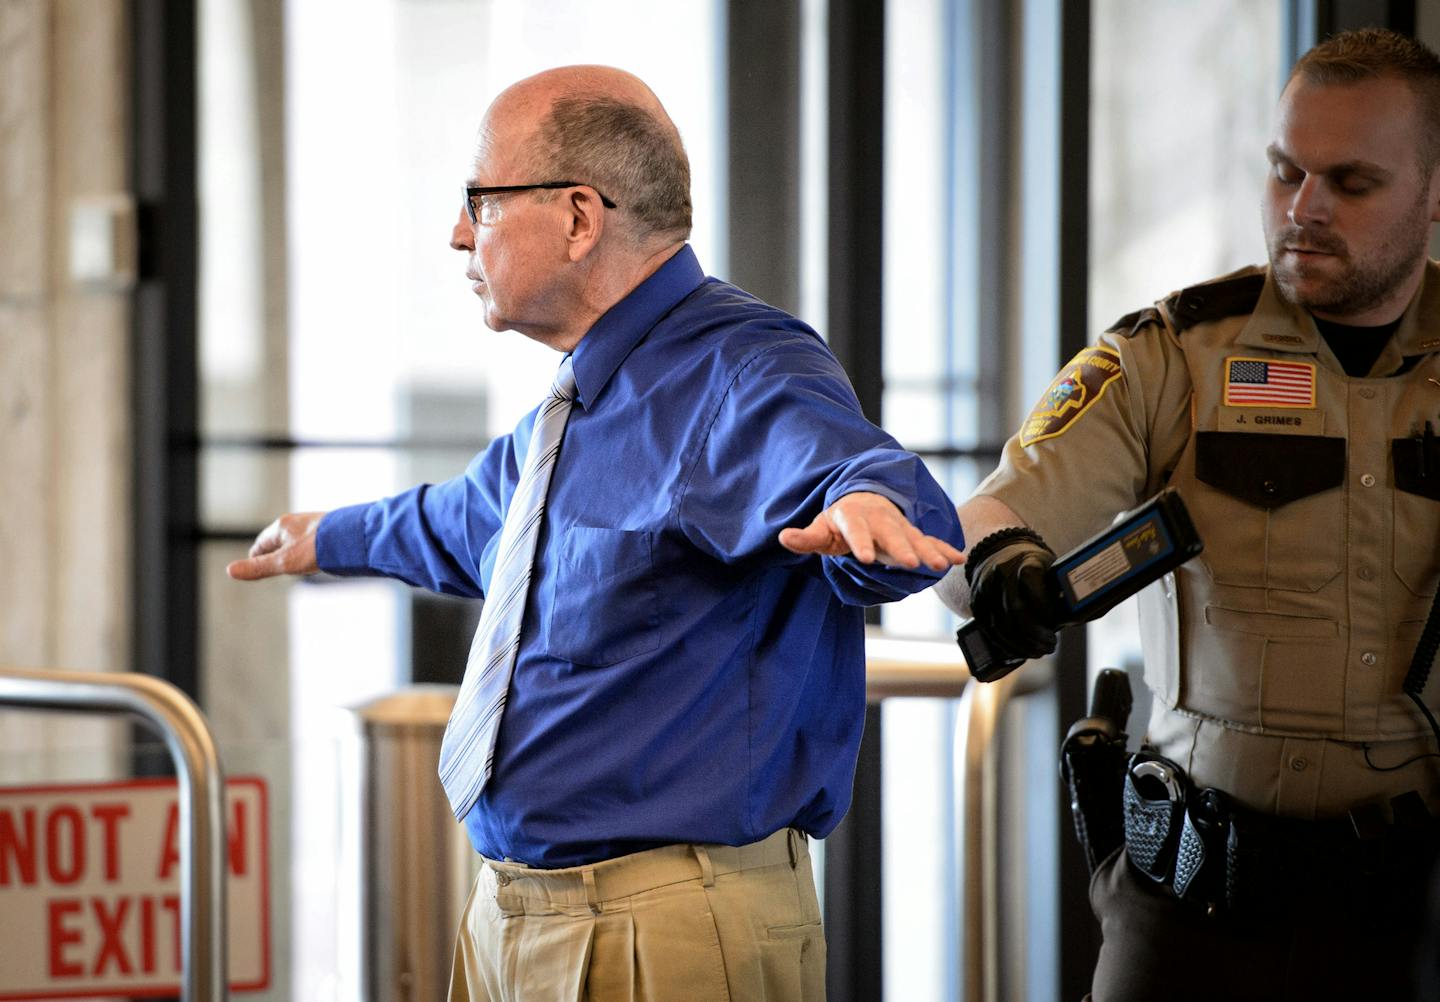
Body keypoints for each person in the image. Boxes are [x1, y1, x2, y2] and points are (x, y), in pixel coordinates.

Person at [228, 65, 964, 1000]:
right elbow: (469, 522)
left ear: (580, 218)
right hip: (518, 920)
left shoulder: (739, 367)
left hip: (657, 932)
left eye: (480, 202)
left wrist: (871, 506)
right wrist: (327, 537)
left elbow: (852, 472)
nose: (459, 233)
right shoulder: (580, 403)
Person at [938, 28, 1440, 1002]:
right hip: (1193, 918)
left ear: (1433, 192)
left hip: (1412, 923)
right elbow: (984, 516)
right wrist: (1003, 573)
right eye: (1286, 172)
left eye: (1351, 182)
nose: (1304, 208)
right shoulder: (1170, 356)